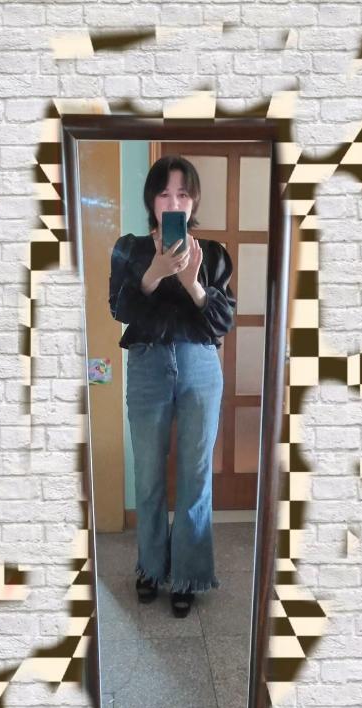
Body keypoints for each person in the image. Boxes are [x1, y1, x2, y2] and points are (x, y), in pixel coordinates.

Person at [108, 155, 236, 618]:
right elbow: (119, 308)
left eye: (183, 194)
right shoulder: (128, 249)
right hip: (147, 364)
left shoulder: (213, 254)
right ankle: (150, 567)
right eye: (165, 193)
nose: (174, 202)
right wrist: (155, 273)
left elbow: (222, 320)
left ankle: (188, 574)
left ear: (194, 200)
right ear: (152, 199)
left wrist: (192, 284)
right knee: (148, 476)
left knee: (196, 476)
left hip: (200, 364)